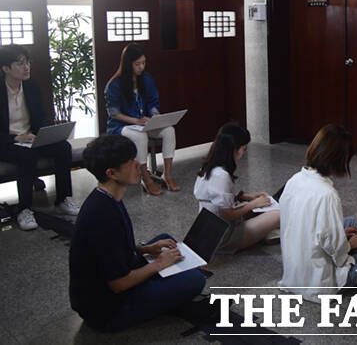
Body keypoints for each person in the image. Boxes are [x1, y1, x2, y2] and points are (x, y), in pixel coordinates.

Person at [69, 135, 205, 332]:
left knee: (165, 240)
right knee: (195, 280)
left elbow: (115, 247)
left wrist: (146, 249)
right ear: (112, 173)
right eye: (130, 162)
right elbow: (118, 284)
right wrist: (159, 264)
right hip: (108, 310)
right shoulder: (103, 217)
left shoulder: (107, 196)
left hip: (114, 280)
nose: (138, 165)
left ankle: (162, 276)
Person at [278, 124, 357, 302]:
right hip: (320, 284)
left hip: (294, 274)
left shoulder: (294, 180)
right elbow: (338, 254)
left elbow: (303, 225)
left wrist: (341, 235)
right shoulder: (327, 195)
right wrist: (350, 244)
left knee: (350, 222)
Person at [0, 44, 78, 231]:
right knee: (26, 156)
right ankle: (25, 209)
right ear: (6, 68)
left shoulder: (31, 86)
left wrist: (43, 135)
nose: (26, 67)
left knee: (63, 148)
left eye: (28, 62)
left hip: (30, 138)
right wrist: (16, 138)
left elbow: (40, 117)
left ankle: (63, 200)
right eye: (20, 63)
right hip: (6, 142)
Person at [105, 43, 179, 195]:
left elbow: (152, 103)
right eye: (137, 64)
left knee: (169, 130)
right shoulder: (115, 84)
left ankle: (167, 175)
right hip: (121, 126)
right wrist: (136, 121)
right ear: (128, 64)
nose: (141, 67)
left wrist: (155, 116)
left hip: (143, 123)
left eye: (144, 63)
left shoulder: (146, 79)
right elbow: (114, 113)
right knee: (140, 136)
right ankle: (146, 179)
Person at [194, 122, 279, 252]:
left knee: (261, 210)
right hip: (223, 236)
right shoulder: (221, 176)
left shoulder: (208, 166)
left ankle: (264, 232)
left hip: (210, 228)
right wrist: (253, 204)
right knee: (278, 215)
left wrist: (245, 197)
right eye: (244, 148)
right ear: (234, 149)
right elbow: (228, 215)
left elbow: (215, 198)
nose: (244, 152)